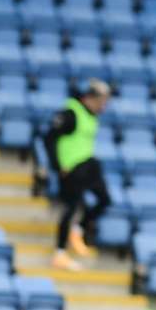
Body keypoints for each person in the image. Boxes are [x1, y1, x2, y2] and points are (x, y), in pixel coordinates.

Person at [44, 79, 112, 271]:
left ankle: (77, 230)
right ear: (91, 97)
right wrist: (57, 166)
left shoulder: (92, 115)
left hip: (88, 163)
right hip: (72, 168)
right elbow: (49, 138)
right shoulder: (70, 114)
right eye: (102, 100)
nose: (104, 105)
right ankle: (59, 253)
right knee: (71, 207)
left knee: (105, 200)